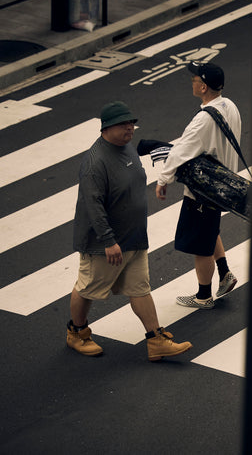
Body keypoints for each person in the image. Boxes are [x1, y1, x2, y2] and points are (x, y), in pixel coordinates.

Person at [67, 100, 192, 361]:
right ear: (107, 128)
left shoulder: (126, 149)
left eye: (132, 123)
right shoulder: (95, 163)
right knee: (88, 287)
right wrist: (108, 240)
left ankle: (156, 340)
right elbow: (93, 206)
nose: (130, 128)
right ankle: (77, 333)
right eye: (124, 124)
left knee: (140, 288)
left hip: (134, 238)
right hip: (107, 244)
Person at [156, 61, 240, 309]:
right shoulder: (230, 106)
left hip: (204, 188)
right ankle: (224, 273)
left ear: (203, 87)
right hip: (222, 181)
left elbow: (181, 150)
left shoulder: (203, 119)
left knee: (200, 246)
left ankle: (204, 296)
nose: (191, 81)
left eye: (194, 79)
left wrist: (163, 180)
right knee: (209, 229)